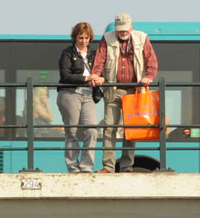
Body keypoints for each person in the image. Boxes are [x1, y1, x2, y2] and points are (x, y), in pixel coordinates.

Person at [89, 13, 158, 173]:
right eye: (120, 30)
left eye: (125, 29)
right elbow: (100, 60)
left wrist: (148, 76)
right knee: (109, 127)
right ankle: (108, 166)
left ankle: (127, 166)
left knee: (131, 130)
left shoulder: (142, 38)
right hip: (113, 89)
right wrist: (96, 75)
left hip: (134, 91)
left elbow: (151, 60)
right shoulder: (107, 38)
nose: (123, 32)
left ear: (131, 27)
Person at [58, 22, 100, 173]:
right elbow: (65, 75)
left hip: (88, 95)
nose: (83, 41)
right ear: (75, 37)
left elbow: (101, 72)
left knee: (92, 130)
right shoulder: (67, 53)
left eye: (86, 37)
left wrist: (101, 79)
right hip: (70, 94)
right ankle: (73, 167)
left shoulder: (94, 54)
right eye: (80, 37)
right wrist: (86, 78)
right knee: (72, 132)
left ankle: (86, 167)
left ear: (90, 38)